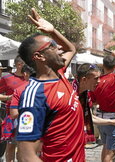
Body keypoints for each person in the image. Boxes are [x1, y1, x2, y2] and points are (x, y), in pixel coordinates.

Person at [9, 8, 85, 161]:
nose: (59, 48)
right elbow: (26, 156)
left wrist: (52, 31)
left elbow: (71, 48)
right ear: (39, 56)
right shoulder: (36, 95)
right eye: (52, 46)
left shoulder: (60, 73)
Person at [92, 50, 115, 162]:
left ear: (103, 65)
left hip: (102, 118)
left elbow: (94, 102)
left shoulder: (97, 81)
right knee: (111, 151)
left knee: (106, 146)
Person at [0, 55, 26, 162]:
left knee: (22, 147)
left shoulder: (30, 78)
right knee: (10, 146)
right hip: (11, 116)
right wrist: (8, 98)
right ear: (19, 65)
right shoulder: (6, 79)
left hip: (26, 116)